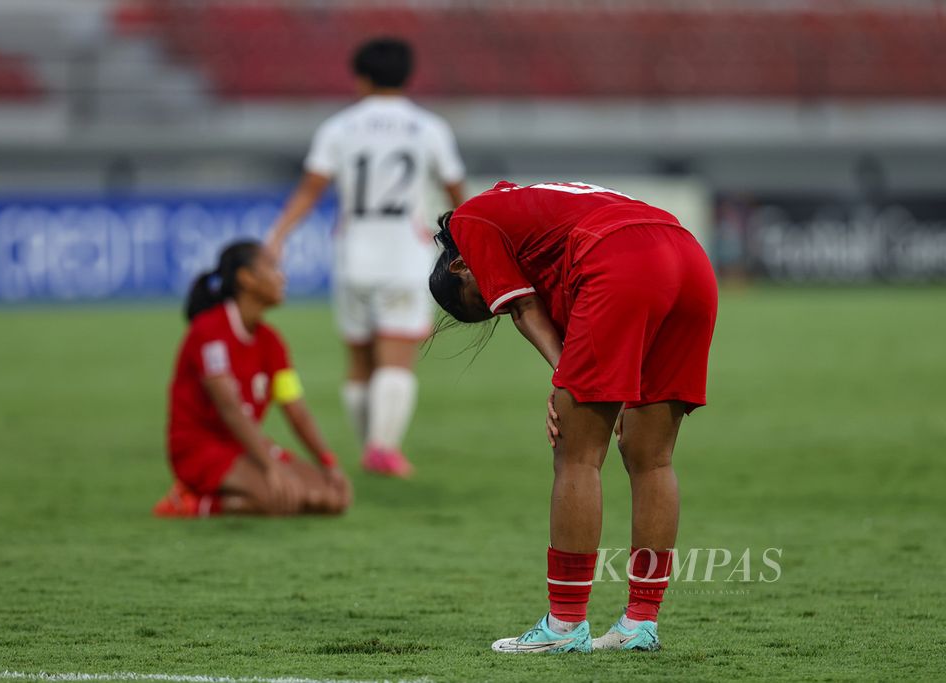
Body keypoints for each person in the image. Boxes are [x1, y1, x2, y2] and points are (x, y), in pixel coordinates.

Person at [428, 181, 718, 653]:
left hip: (619, 258)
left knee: (576, 455)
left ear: (460, 265)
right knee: (652, 458)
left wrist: (563, 377)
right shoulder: (523, 212)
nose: (495, 301)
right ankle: (638, 625)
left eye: (483, 301)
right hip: (687, 256)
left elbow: (522, 308)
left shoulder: (469, 222)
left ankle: (564, 626)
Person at [266, 37, 466, 478]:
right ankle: (382, 448)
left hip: (353, 254)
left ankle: (370, 447)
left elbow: (310, 190)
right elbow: (456, 194)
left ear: (360, 77)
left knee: (359, 358)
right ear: (408, 76)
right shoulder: (429, 128)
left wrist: (278, 237)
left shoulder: (340, 128)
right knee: (397, 355)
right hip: (404, 256)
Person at [153, 240, 352, 517]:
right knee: (279, 499)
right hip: (200, 448)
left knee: (331, 498)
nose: (282, 277)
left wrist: (329, 463)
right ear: (246, 278)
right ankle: (190, 502)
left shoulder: (271, 342)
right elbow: (230, 409)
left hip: (244, 445)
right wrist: (271, 467)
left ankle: (226, 492)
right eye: (272, 267)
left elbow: (295, 410)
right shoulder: (209, 331)